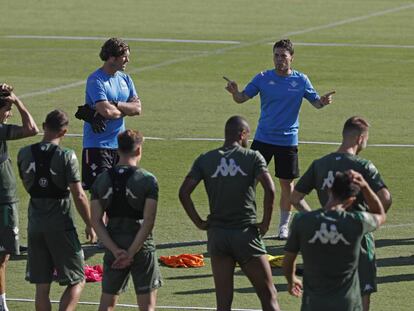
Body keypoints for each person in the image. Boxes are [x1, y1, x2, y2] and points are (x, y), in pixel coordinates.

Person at [225, 39, 335, 239]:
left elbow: (316, 104)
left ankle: (283, 227)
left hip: (287, 141)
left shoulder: (301, 80)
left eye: (283, 56)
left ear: (292, 58)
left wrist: (324, 102)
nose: (279, 60)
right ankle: (241, 220)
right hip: (263, 138)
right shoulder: (262, 77)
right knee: (250, 181)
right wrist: (235, 92)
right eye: (276, 55)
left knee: (287, 186)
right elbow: (242, 98)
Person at [179, 116, 281, 311]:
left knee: (223, 302)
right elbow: (270, 189)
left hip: (218, 236)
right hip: (246, 236)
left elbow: (184, 192)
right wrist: (266, 223)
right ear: (242, 134)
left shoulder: (206, 159)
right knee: (269, 296)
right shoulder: (252, 157)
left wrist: (199, 223)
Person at [290, 116, 392, 311]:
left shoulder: (320, 164)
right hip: (358, 239)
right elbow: (386, 198)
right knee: (361, 293)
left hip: (325, 238)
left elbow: (295, 198)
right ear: (360, 138)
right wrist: (371, 218)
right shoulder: (362, 166)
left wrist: (317, 217)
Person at [17, 110, 96, 311]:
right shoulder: (66, 156)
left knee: (41, 287)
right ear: (64, 131)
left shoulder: (24, 153)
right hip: (61, 225)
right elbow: (79, 195)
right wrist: (90, 224)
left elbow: (27, 182)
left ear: (44, 126)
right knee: (77, 279)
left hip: (35, 224)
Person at [283, 170, 386, 311]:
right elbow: (380, 215)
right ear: (351, 200)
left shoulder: (302, 221)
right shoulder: (356, 222)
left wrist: (291, 280)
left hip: (313, 305)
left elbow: (288, 260)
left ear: (328, 189)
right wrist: (365, 187)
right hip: (347, 304)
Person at [90, 129, 162, 311]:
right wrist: (130, 252)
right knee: (147, 306)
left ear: (117, 150)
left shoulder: (101, 179)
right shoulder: (148, 180)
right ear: (138, 150)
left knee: (107, 303)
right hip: (142, 245)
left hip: (114, 241)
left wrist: (115, 250)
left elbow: (96, 220)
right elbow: (149, 221)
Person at [76, 37, 141, 191]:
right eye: (124, 56)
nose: (128, 60)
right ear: (112, 58)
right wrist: (125, 110)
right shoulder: (96, 79)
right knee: (100, 195)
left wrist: (117, 104)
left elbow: (137, 108)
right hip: (97, 147)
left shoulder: (125, 79)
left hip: (119, 147)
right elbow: (106, 111)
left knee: (118, 195)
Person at [0, 83, 39, 311]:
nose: (9, 113)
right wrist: (17, 101)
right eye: (7, 109)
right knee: (3, 256)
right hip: (3, 199)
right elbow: (32, 129)